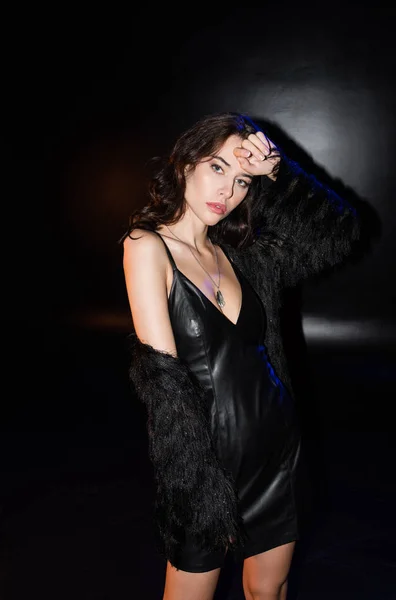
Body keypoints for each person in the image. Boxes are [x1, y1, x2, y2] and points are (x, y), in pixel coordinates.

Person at [121, 111, 360, 600]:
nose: (227, 192)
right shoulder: (146, 246)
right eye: (217, 168)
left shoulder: (245, 253)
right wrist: (194, 481)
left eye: (243, 180)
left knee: (266, 591)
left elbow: (339, 236)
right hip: (205, 462)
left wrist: (281, 175)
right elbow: (164, 385)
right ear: (186, 163)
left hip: (277, 450)